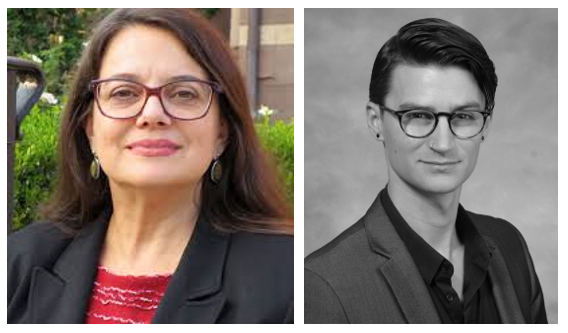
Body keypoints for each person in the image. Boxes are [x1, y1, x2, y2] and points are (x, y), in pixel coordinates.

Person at [8, 9, 293, 324]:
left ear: (221, 134)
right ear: (90, 129)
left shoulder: (289, 282)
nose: (152, 113)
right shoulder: (18, 262)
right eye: (124, 93)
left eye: (184, 93)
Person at [304, 18, 547, 324]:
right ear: (376, 120)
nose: (443, 143)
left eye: (463, 116)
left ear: (485, 124)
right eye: (418, 115)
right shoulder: (323, 286)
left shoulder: (510, 245)